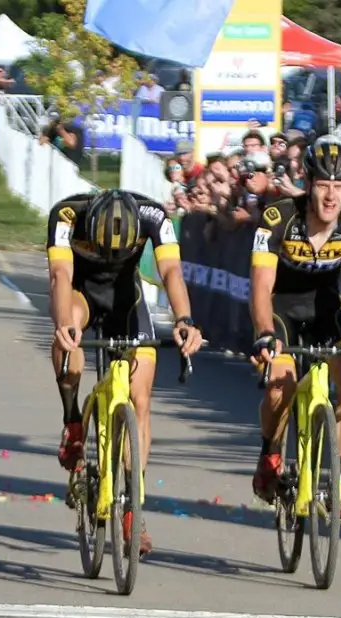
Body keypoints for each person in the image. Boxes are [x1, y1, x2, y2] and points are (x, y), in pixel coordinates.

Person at [48, 189, 204, 556]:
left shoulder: (154, 217)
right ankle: (72, 419)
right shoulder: (67, 215)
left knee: (141, 397)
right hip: (80, 292)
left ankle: (133, 505)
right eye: (102, 249)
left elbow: (171, 271)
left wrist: (184, 320)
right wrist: (63, 325)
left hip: (125, 298)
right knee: (68, 331)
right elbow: (59, 274)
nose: (110, 257)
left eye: (119, 251)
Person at [248, 139, 341, 519]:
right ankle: (270, 451)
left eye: (339, 186)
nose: (330, 196)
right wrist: (264, 332)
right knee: (280, 388)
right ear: (309, 183)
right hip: (282, 308)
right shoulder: (278, 218)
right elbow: (261, 285)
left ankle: (340, 478)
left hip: (330, 306)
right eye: (323, 185)